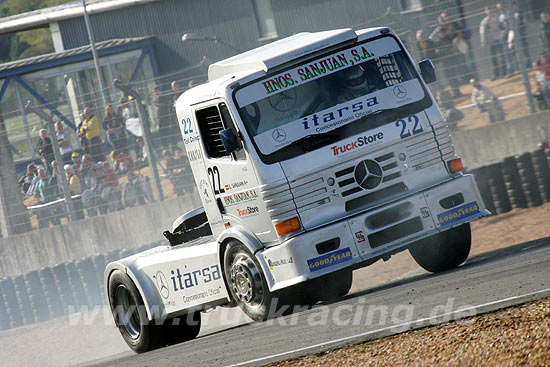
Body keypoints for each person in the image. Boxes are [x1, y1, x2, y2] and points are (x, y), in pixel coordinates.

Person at [480, 6, 506, 80]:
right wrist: (483, 43)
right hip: (490, 42)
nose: (490, 11)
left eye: (490, 10)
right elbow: (482, 33)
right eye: (488, 10)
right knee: (493, 59)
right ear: (486, 12)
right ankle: (496, 74)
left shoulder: (498, 18)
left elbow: (503, 26)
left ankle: (504, 73)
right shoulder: (484, 21)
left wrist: (500, 31)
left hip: (499, 39)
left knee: (502, 57)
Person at [153, 85, 173, 149]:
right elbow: (154, 104)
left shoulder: (164, 96)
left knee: (167, 132)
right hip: (160, 118)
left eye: (157, 90)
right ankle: (165, 147)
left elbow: (167, 104)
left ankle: (171, 146)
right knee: (162, 134)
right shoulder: (155, 98)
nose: (156, 92)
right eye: (155, 91)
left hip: (165, 117)